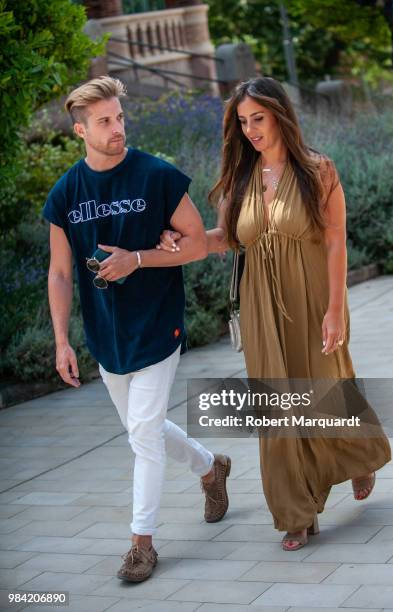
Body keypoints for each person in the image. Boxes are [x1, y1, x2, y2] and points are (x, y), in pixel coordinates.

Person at [158, 76, 391, 551]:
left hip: (312, 298)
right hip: (261, 305)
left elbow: (334, 239)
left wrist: (334, 310)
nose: (251, 130)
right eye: (243, 122)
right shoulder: (241, 179)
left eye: (258, 118)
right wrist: (178, 240)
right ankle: (294, 512)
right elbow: (224, 239)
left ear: (280, 114)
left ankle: (358, 455)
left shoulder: (317, 170)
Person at [42, 76, 231, 582]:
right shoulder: (66, 194)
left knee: (142, 436)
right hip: (107, 334)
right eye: (104, 121)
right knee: (142, 430)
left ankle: (141, 544)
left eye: (120, 118)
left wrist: (140, 260)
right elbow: (60, 272)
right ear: (80, 130)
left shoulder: (156, 177)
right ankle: (212, 468)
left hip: (157, 323)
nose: (116, 128)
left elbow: (199, 243)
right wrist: (62, 341)